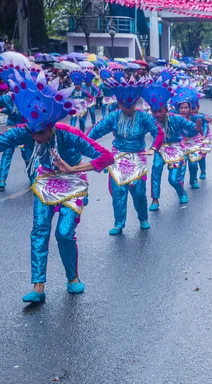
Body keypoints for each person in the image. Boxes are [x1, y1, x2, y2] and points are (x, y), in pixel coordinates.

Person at [0, 69, 114, 303]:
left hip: (73, 184)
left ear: (51, 126)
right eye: (32, 132)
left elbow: (105, 157)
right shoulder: (26, 133)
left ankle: (72, 278)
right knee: (39, 231)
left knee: (63, 233)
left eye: (40, 132)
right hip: (44, 183)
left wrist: (73, 169)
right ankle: (38, 287)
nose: (36, 138)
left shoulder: (69, 134)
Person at [87, 75, 165, 235]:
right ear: (119, 103)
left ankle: (143, 218)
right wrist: (84, 144)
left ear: (136, 102)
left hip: (138, 157)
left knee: (138, 192)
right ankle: (119, 223)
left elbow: (158, 132)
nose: (128, 108)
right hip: (117, 158)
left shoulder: (144, 117)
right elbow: (95, 131)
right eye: (124, 105)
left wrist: (154, 148)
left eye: (132, 105)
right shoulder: (113, 116)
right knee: (118, 192)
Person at [142, 75, 206, 211]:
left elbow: (192, 129)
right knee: (156, 169)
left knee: (173, 179)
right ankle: (155, 200)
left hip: (176, 147)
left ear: (166, 109)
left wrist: (198, 128)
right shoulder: (150, 120)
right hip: (159, 148)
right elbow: (140, 132)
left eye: (160, 111)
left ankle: (181, 191)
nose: (157, 114)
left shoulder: (176, 118)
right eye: (154, 111)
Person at [172, 80, 212, 187]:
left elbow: (204, 117)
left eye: (186, 107)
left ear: (190, 108)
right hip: (181, 144)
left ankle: (193, 180)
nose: (183, 110)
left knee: (193, 164)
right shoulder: (175, 117)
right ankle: (180, 184)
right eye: (181, 108)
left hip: (194, 143)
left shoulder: (194, 116)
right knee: (181, 166)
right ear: (178, 108)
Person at [0, 63, 34, 191]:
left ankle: (33, 178)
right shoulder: (6, 98)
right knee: (7, 153)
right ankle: (2, 180)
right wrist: (4, 111)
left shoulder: (27, 97)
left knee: (27, 154)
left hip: (25, 129)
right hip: (11, 129)